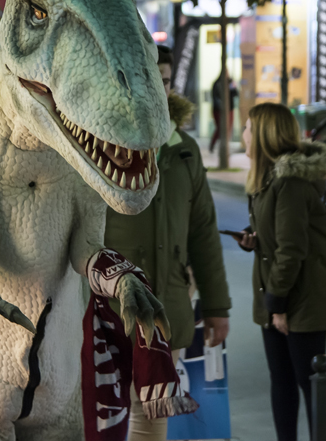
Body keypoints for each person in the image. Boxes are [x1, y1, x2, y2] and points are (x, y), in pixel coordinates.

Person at [104, 45, 231, 441]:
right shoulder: (98, 142)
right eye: (149, 79)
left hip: (166, 308)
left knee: (149, 415)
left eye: (165, 81)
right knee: (103, 415)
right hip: (107, 310)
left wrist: (216, 307)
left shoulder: (184, 150)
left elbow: (203, 232)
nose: (159, 90)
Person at [233, 103, 326, 441]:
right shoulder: (267, 180)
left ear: (263, 134)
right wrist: (253, 239)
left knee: (311, 383)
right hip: (279, 295)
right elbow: (278, 236)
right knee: (281, 381)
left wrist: (278, 305)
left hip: (301, 299)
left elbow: (291, 250)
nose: (243, 134)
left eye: (248, 128)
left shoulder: (289, 182)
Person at [210, 70, 238, 153]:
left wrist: (233, 86)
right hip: (219, 110)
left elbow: (235, 94)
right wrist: (222, 107)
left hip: (229, 109)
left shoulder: (230, 83)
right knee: (220, 128)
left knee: (228, 128)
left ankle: (225, 148)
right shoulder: (217, 84)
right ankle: (214, 145)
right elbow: (215, 97)